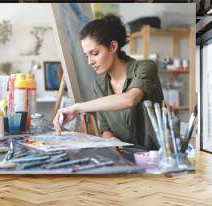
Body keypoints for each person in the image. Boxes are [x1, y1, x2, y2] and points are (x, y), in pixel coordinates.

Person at [53, 14, 164, 150]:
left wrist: (76, 107)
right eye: (87, 55)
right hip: (125, 159)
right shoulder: (99, 84)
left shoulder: (145, 67)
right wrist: (111, 140)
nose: (90, 62)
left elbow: (129, 99)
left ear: (112, 47)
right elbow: (105, 129)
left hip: (158, 158)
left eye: (94, 53)